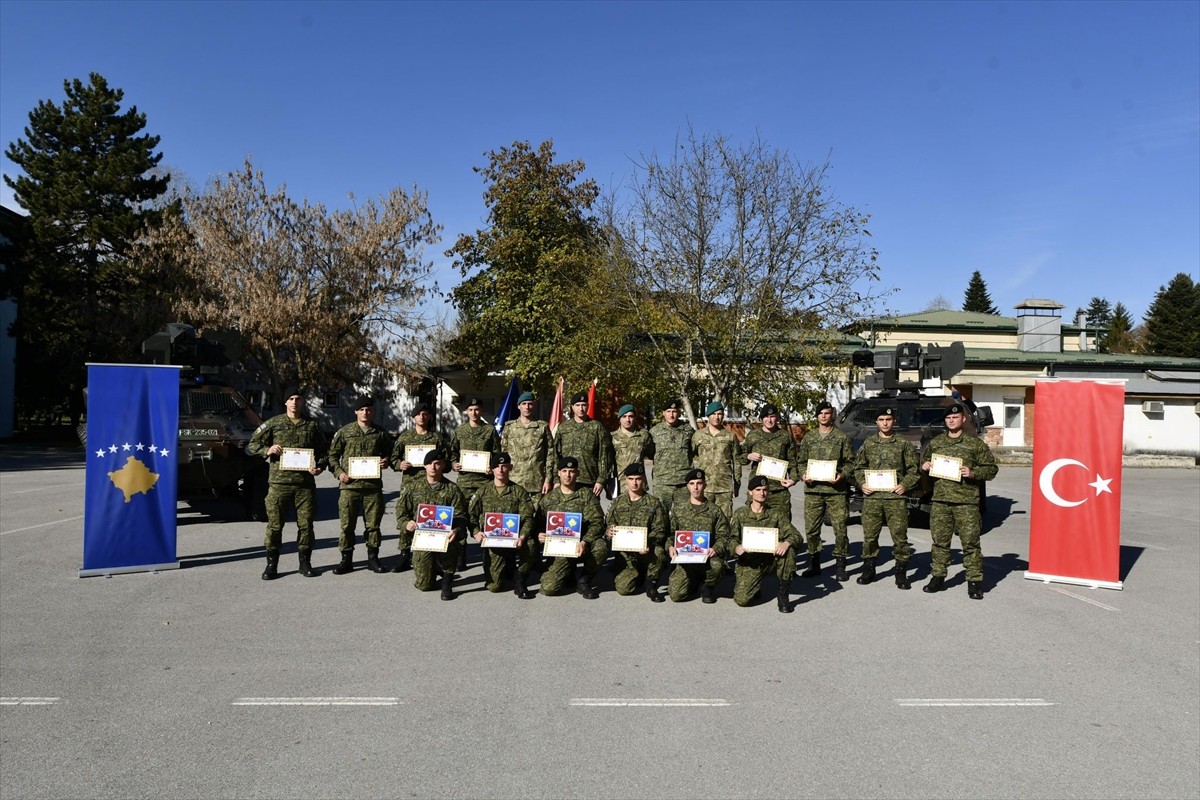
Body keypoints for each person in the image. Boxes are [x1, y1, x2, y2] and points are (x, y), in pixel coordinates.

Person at [247, 386, 328, 581]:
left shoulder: (312, 426)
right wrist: (267, 450)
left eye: (298, 399)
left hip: (304, 485)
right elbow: (252, 444)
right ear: (285, 402)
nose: (294, 402)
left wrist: (319, 467)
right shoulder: (274, 423)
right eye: (291, 399)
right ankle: (272, 564)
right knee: (275, 526)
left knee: (306, 525)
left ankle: (305, 562)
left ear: (303, 402)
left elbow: (324, 452)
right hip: (279, 484)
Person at [920, 403, 998, 599]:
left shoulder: (975, 444)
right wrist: (925, 465)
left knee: (970, 544)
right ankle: (938, 577)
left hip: (966, 502)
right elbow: (924, 464)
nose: (951, 420)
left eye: (955, 417)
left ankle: (974, 581)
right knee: (940, 542)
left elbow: (991, 469)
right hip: (941, 501)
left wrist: (973, 472)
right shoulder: (936, 443)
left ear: (963, 419)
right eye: (948, 418)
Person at [852, 406, 920, 589]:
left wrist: (904, 485)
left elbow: (913, 470)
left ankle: (901, 572)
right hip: (872, 498)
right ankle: (869, 569)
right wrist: (862, 484)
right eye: (881, 420)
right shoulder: (869, 443)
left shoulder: (903, 443)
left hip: (895, 498)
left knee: (899, 537)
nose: (885, 423)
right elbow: (858, 467)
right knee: (870, 536)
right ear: (876, 422)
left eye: (888, 420)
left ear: (893, 421)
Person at [326, 396, 393, 575]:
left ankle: (373, 558)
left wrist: (386, 461)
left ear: (373, 411)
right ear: (356, 411)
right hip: (350, 487)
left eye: (368, 409)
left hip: (372, 487)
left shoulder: (380, 433)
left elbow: (390, 453)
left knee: (373, 526)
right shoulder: (344, 432)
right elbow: (332, 456)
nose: (365, 412)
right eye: (362, 409)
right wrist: (339, 473)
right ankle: (346, 560)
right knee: (347, 526)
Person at [394, 450, 469, 600]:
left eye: (437, 464)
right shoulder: (412, 487)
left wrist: (456, 529)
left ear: (443, 465)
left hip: (445, 537)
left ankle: (447, 581)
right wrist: (406, 523)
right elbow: (401, 512)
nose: (433, 467)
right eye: (429, 464)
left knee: (453, 543)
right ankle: (433, 569)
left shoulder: (452, 489)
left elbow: (461, 516)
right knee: (424, 585)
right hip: (422, 538)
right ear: (424, 466)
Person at [796, 401, 854, 581]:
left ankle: (840, 566)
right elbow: (801, 462)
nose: (824, 416)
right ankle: (814, 564)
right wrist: (803, 475)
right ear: (816, 416)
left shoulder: (841, 438)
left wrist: (841, 475)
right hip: (813, 491)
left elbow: (851, 463)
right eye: (821, 413)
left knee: (840, 529)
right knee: (812, 530)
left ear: (832, 415)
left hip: (836, 491)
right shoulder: (809, 438)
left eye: (827, 413)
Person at [469, 451, 538, 599]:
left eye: (504, 466)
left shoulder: (519, 491)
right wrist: (476, 532)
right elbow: (471, 515)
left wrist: (523, 536)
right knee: (494, 586)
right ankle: (507, 564)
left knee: (531, 543)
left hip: (514, 538)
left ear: (510, 468)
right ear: (492, 469)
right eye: (497, 466)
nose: (500, 469)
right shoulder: (483, 491)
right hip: (492, 540)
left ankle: (520, 578)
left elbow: (528, 518)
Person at [729, 475, 803, 612]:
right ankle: (756, 585)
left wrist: (786, 543)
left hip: (771, 560)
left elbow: (796, 536)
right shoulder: (740, 514)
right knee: (742, 600)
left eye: (765, 490)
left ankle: (783, 594)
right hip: (751, 562)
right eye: (758, 490)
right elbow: (731, 539)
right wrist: (736, 547)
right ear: (750, 492)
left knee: (789, 550)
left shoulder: (776, 514)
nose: (762, 493)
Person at [537, 456, 607, 598]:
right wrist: (539, 534)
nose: (568, 475)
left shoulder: (586, 495)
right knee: (549, 588)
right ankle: (565, 572)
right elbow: (537, 523)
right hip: (560, 548)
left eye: (572, 471)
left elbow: (598, 522)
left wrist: (585, 541)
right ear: (558, 473)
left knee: (601, 546)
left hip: (581, 545)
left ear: (578, 473)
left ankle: (584, 579)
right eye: (564, 471)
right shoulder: (549, 499)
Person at [390, 402, 443, 572]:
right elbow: (393, 458)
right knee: (407, 517)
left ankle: (433, 555)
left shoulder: (436, 438)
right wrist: (399, 464)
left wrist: (445, 466)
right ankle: (405, 555)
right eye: (419, 414)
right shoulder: (405, 437)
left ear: (429, 417)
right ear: (413, 417)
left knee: (432, 517)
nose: (422, 417)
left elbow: (446, 459)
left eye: (425, 414)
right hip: (410, 484)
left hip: (433, 484)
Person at [605, 462, 669, 602]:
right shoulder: (618, 502)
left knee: (659, 552)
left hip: (646, 550)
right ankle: (636, 573)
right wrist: (610, 531)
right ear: (626, 480)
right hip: (626, 553)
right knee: (624, 589)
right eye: (631, 479)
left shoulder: (653, 503)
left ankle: (651, 582)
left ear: (644, 479)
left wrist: (648, 543)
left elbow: (660, 530)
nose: (634, 483)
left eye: (638, 479)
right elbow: (609, 523)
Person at [449, 396, 500, 570]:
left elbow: (497, 453)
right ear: (466, 411)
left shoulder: (489, 430)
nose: (474, 412)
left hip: (484, 482)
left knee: (485, 518)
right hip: (465, 482)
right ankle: (460, 556)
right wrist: (454, 464)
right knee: (462, 518)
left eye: (477, 409)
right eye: (470, 410)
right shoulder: (460, 430)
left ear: (482, 410)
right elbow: (452, 453)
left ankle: (489, 555)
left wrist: (492, 467)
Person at [667, 468, 732, 603]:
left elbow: (724, 536)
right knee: (676, 595)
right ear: (687, 486)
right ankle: (694, 580)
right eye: (692, 484)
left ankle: (708, 586)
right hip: (685, 559)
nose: (696, 487)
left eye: (699, 483)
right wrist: (670, 547)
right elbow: (670, 534)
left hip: (707, 558)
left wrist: (716, 549)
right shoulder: (679, 510)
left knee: (717, 566)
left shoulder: (714, 511)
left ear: (705, 485)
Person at [742, 403, 798, 521]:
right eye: (766, 417)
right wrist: (748, 456)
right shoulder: (753, 435)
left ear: (777, 417)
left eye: (772, 416)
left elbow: (792, 461)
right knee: (754, 523)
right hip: (757, 489)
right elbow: (740, 457)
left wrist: (793, 479)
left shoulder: (785, 436)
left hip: (779, 491)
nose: (769, 420)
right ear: (761, 418)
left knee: (782, 524)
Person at [552, 391, 614, 498]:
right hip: (567, 480)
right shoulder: (563, 428)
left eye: (583, 405)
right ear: (572, 407)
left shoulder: (596, 427)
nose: (581, 408)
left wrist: (601, 480)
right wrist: (556, 479)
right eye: (577, 405)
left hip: (590, 481)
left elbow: (605, 455)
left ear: (588, 406)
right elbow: (556, 455)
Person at [691, 401, 743, 521]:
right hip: (704, 486)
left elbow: (736, 460)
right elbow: (691, 457)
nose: (716, 417)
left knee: (724, 520)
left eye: (719, 414)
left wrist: (737, 483)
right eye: (713, 414)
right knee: (703, 519)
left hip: (724, 487)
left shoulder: (730, 436)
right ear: (708, 416)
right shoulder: (698, 435)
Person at [501, 391, 555, 496]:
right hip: (513, 481)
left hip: (536, 483)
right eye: (524, 404)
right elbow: (503, 454)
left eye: (530, 404)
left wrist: (548, 480)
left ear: (534, 406)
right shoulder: (509, 427)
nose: (527, 407)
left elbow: (550, 455)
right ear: (518, 406)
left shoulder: (542, 427)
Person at [647, 399, 694, 515]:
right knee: (660, 515)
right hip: (662, 482)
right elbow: (650, 453)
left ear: (679, 412)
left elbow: (694, 451)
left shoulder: (688, 430)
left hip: (683, 482)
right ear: (663, 413)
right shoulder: (654, 432)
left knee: (683, 515)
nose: (671, 415)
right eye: (668, 411)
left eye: (674, 411)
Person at [610, 404, 652, 497]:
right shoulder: (612, 437)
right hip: (620, 485)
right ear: (619, 418)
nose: (628, 420)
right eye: (624, 416)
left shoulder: (644, 435)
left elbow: (652, 454)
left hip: (639, 483)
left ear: (635, 418)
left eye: (631, 416)